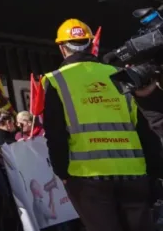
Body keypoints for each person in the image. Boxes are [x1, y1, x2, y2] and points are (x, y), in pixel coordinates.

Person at [42, 19, 163, 231]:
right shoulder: (119, 74)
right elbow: (143, 127)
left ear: (62, 48)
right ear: (91, 44)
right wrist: (154, 171)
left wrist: (63, 173)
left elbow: (55, 134)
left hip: (88, 178)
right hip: (134, 173)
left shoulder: (55, 80)